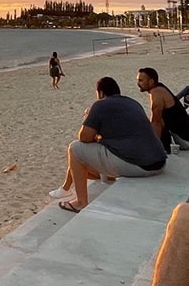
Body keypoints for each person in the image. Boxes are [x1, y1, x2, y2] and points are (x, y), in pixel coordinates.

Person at [52, 77, 166, 212]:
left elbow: (84, 138)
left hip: (140, 165)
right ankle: (69, 188)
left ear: (100, 93)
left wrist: (88, 118)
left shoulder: (100, 105)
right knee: (93, 158)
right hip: (159, 162)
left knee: (75, 149)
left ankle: (80, 202)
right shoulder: (133, 103)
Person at [136, 67, 189, 153]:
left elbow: (156, 122)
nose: (138, 83)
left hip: (185, 142)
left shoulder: (156, 93)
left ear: (151, 81)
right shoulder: (160, 88)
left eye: (141, 80)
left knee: (154, 121)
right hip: (188, 138)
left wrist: (153, 146)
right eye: (138, 80)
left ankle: (161, 148)